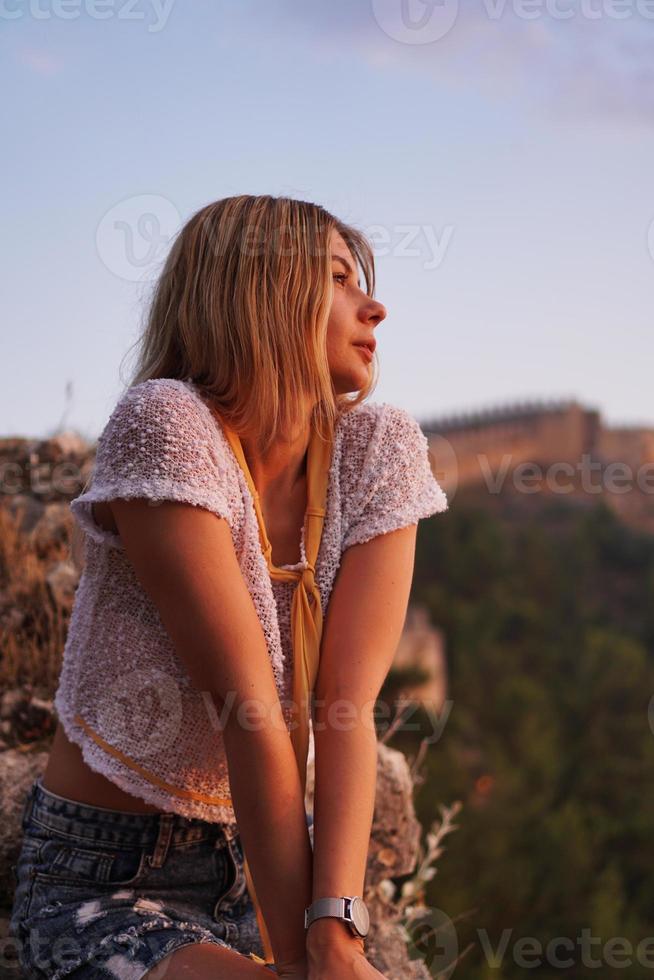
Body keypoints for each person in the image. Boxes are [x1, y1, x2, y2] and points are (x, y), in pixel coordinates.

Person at [9, 194, 449, 979]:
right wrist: (302, 967)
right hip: (109, 878)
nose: (374, 306)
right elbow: (252, 712)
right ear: (258, 290)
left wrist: (335, 929)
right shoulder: (167, 425)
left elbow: (346, 710)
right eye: (339, 279)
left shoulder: (379, 450)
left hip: (271, 861)